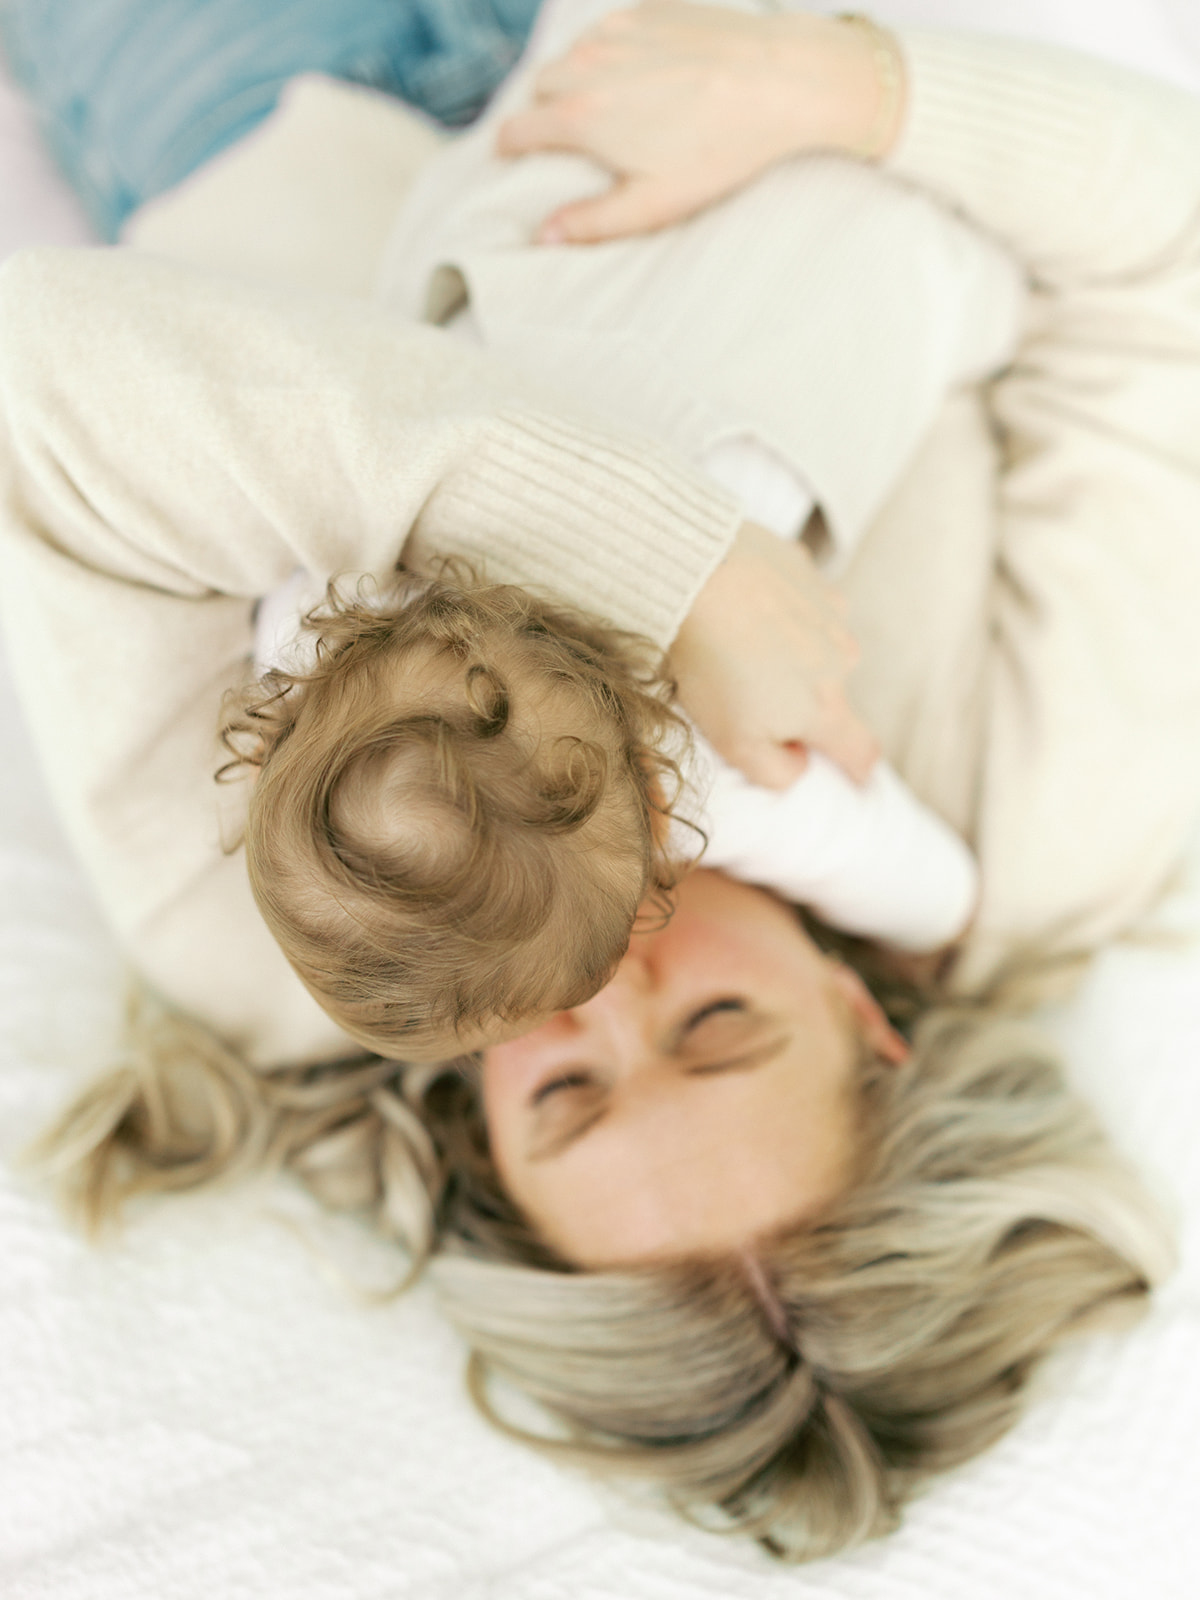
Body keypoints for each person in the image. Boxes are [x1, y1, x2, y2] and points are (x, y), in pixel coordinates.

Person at [7, 0, 1200, 1561]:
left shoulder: (291, 940)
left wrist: (667, 565)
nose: (611, 984)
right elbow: (1169, 271)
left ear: (490, 1164)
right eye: (718, 1027)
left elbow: (44, 385)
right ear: (869, 1026)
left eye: (565, 1093)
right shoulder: (1047, 814)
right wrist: (849, 85)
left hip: (249, 89)